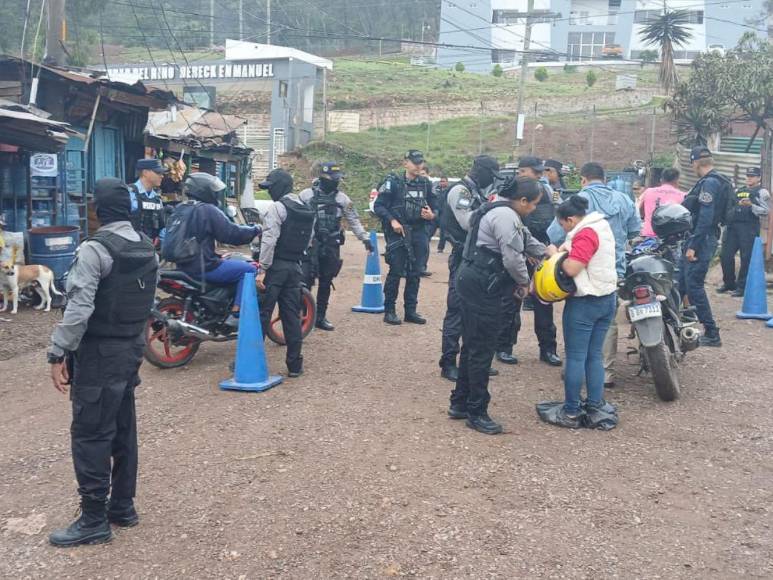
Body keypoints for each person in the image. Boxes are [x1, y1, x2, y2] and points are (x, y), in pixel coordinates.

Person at [47, 178, 159, 547]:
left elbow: (79, 309)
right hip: (129, 350)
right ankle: (122, 507)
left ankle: (94, 519)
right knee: (123, 427)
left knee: (91, 432)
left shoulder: (95, 249)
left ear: (97, 211)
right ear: (127, 209)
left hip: (98, 354)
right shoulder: (147, 248)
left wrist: (57, 351)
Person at [449, 176, 547, 435]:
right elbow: (513, 256)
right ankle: (477, 411)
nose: (534, 209)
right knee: (482, 347)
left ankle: (460, 402)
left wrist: (549, 252)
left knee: (472, 343)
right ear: (522, 200)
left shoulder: (495, 207)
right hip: (484, 283)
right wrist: (525, 283)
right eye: (533, 204)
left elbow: (526, 241)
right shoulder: (506, 216)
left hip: (471, 277)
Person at [547, 162, 641, 389]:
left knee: (578, 342)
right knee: (607, 325)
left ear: (583, 179)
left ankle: (573, 394)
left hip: (582, 278)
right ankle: (606, 372)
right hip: (612, 273)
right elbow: (635, 232)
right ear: (605, 178)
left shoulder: (576, 203)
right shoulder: (624, 199)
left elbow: (554, 233)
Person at [539, 196, 619, 429]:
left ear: (571, 219)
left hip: (586, 302)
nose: (563, 229)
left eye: (563, 225)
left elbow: (573, 267)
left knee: (575, 357)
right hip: (607, 298)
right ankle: (595, 405)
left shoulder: (585, 233)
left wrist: (555, 254)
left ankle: (572, 410)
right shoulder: (601, 226)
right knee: (594, 355)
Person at [438, 155, 504, 381]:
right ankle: (448, 361)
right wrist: (491, 208)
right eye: (490, 176)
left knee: (476, 311)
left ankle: (471, 360)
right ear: (480, 170)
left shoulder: (477, 192)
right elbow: (467, 222)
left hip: (477, 259)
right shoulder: (461, 192)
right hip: (462, 258)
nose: (492, 181)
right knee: (456, 309)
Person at [171, 173, 261, 328]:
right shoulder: (207, 210)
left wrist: (214, 253)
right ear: (204, 190)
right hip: (203, 267)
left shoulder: (181, 208)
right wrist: (255, 230)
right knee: (247, 270)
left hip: (183, 265)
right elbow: (232, 233)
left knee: (226, 260)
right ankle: (236, 315)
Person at [496, 156, 561, 367]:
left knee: (544, 302)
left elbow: (549, 222)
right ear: (522, 172)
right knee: (511, 303)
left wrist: (543, 250)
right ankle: (504, 347)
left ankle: (548, 349)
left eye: (541, 172)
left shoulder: (545, 191)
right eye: (535, 172)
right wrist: (524, 251)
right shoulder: (510, 196)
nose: (540, 176)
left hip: (539, 252)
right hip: (518, 254)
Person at [299, 162, 373, 331]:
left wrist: (365, 239)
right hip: (310, 245)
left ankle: (320, 317)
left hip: (331, 245)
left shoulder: (343, 199)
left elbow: (353, 220)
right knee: (305, 282)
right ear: (323, 178)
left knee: (326, 281)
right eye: (333, 179)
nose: (336, 182)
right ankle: (303, 317)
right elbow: (297, 219)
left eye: (338, 179)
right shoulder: (305, 195)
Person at [257, 168, 316, 376]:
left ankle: (251, 360)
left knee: (263, 314)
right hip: (295, 267)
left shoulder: (277, 208)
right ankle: (295, 365)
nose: (269, 192)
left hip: (276, 267)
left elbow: (269, 240)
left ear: (279, 187)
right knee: (291, 316)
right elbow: (309, 240)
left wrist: (262, 269)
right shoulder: (307, 209)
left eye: (270, 188)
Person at [374, 150, 438, 325]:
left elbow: (437, 208)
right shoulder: (393, 183)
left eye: (420, 162)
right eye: (415, 162)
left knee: (415, 273)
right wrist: (392, 220)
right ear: (405, 163)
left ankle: (411, 311)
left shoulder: (426, 184)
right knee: (396, 271)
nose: (418, 166)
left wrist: (432, 215)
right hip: (399, 233)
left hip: (419, 232)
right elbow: (378, 206)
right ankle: (389, 310)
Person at [682, 146, 733, 347]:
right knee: (683, 282)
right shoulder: (716, 180)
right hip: (703, 237)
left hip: (702, 239)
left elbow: (705, 218)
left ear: (695, 163)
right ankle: (678, 324)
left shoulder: (709, 183)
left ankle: (712, 333)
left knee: (694, 285)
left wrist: (694, 244)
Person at [719, 166, 770, 297]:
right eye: (747, 176)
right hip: (733, 227)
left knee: (746, 257)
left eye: (752, 176)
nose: (749, 178)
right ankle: (729, 283)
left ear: (759, 177)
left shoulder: (762, 192)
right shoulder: (739, 190)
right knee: (725, 255)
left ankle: (742, 287)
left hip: (749, 228)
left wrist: (751, 205)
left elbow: (766, 212)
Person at [639, 168, 686, 238]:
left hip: (647, 236)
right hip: (670, 239)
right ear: (677, 181)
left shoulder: (648, 192)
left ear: (661, 180)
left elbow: (641, 210)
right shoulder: (683, 196)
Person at [129, 158, 168, 241]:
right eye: (158, 172)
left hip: (150, 249)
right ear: (145, 173)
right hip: (131, 247)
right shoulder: (129, 194)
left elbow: (162, 228)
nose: (162, 176)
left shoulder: (157, 199)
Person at [434, 176, 450, 253]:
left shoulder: (449, 191)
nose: (442, 183)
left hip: (445, 213)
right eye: (441, 181)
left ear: (447, 182)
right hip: (436, 212)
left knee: (443, 231)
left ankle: (440, 247)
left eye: (443, 181)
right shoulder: (437, 190)